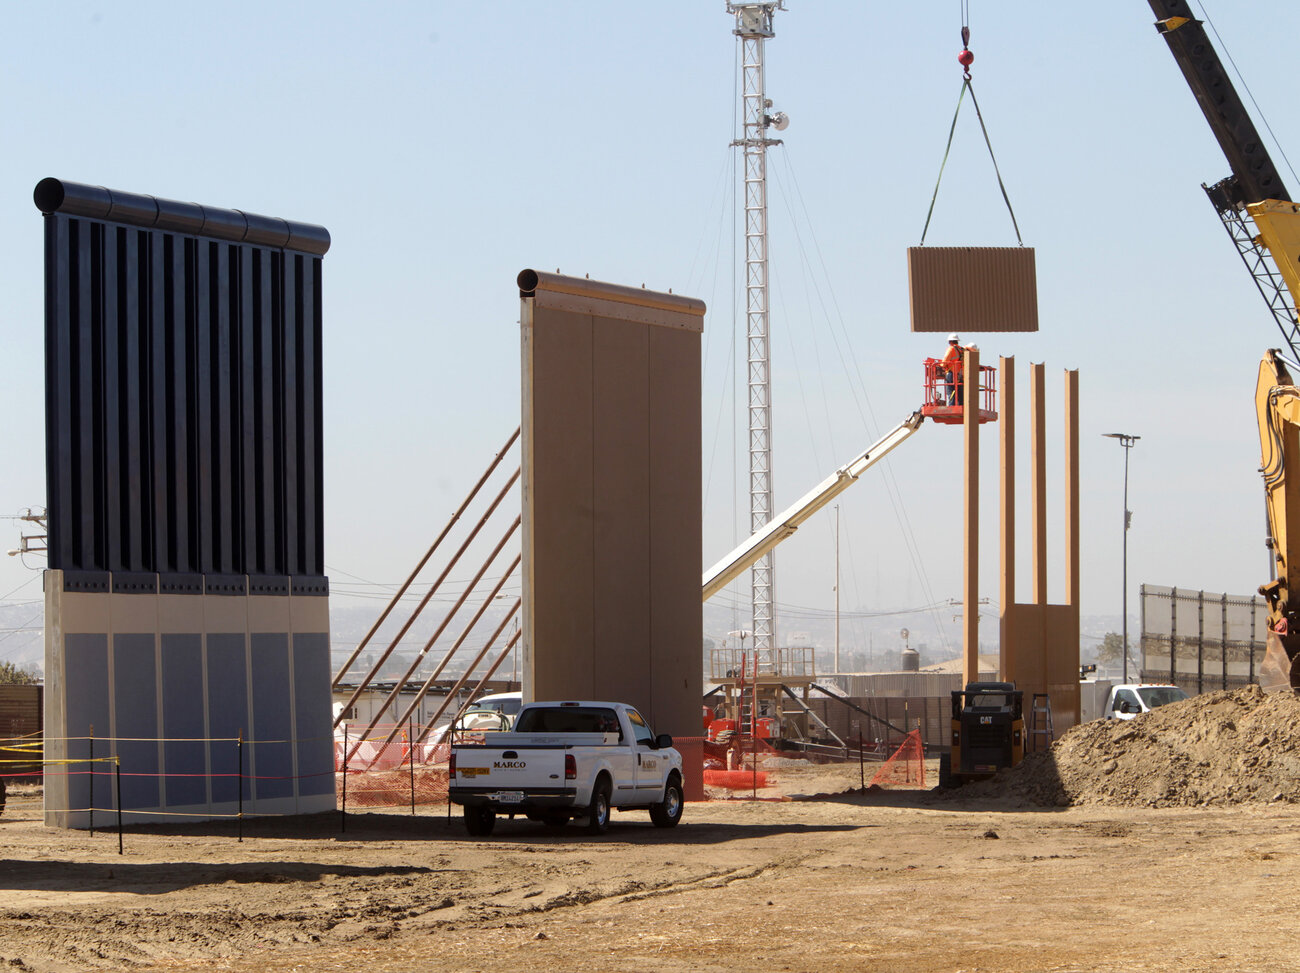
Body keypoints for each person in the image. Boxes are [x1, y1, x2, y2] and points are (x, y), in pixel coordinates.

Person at [940, 332, 963, 406]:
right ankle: (961, 406)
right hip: (959, 374)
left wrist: (941, 365)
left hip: (951, 373)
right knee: (959, 393)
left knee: (951, 392)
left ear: (950, 341)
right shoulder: (961, 349)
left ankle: (951, 406)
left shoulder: (951, 349)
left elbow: (944, 362)